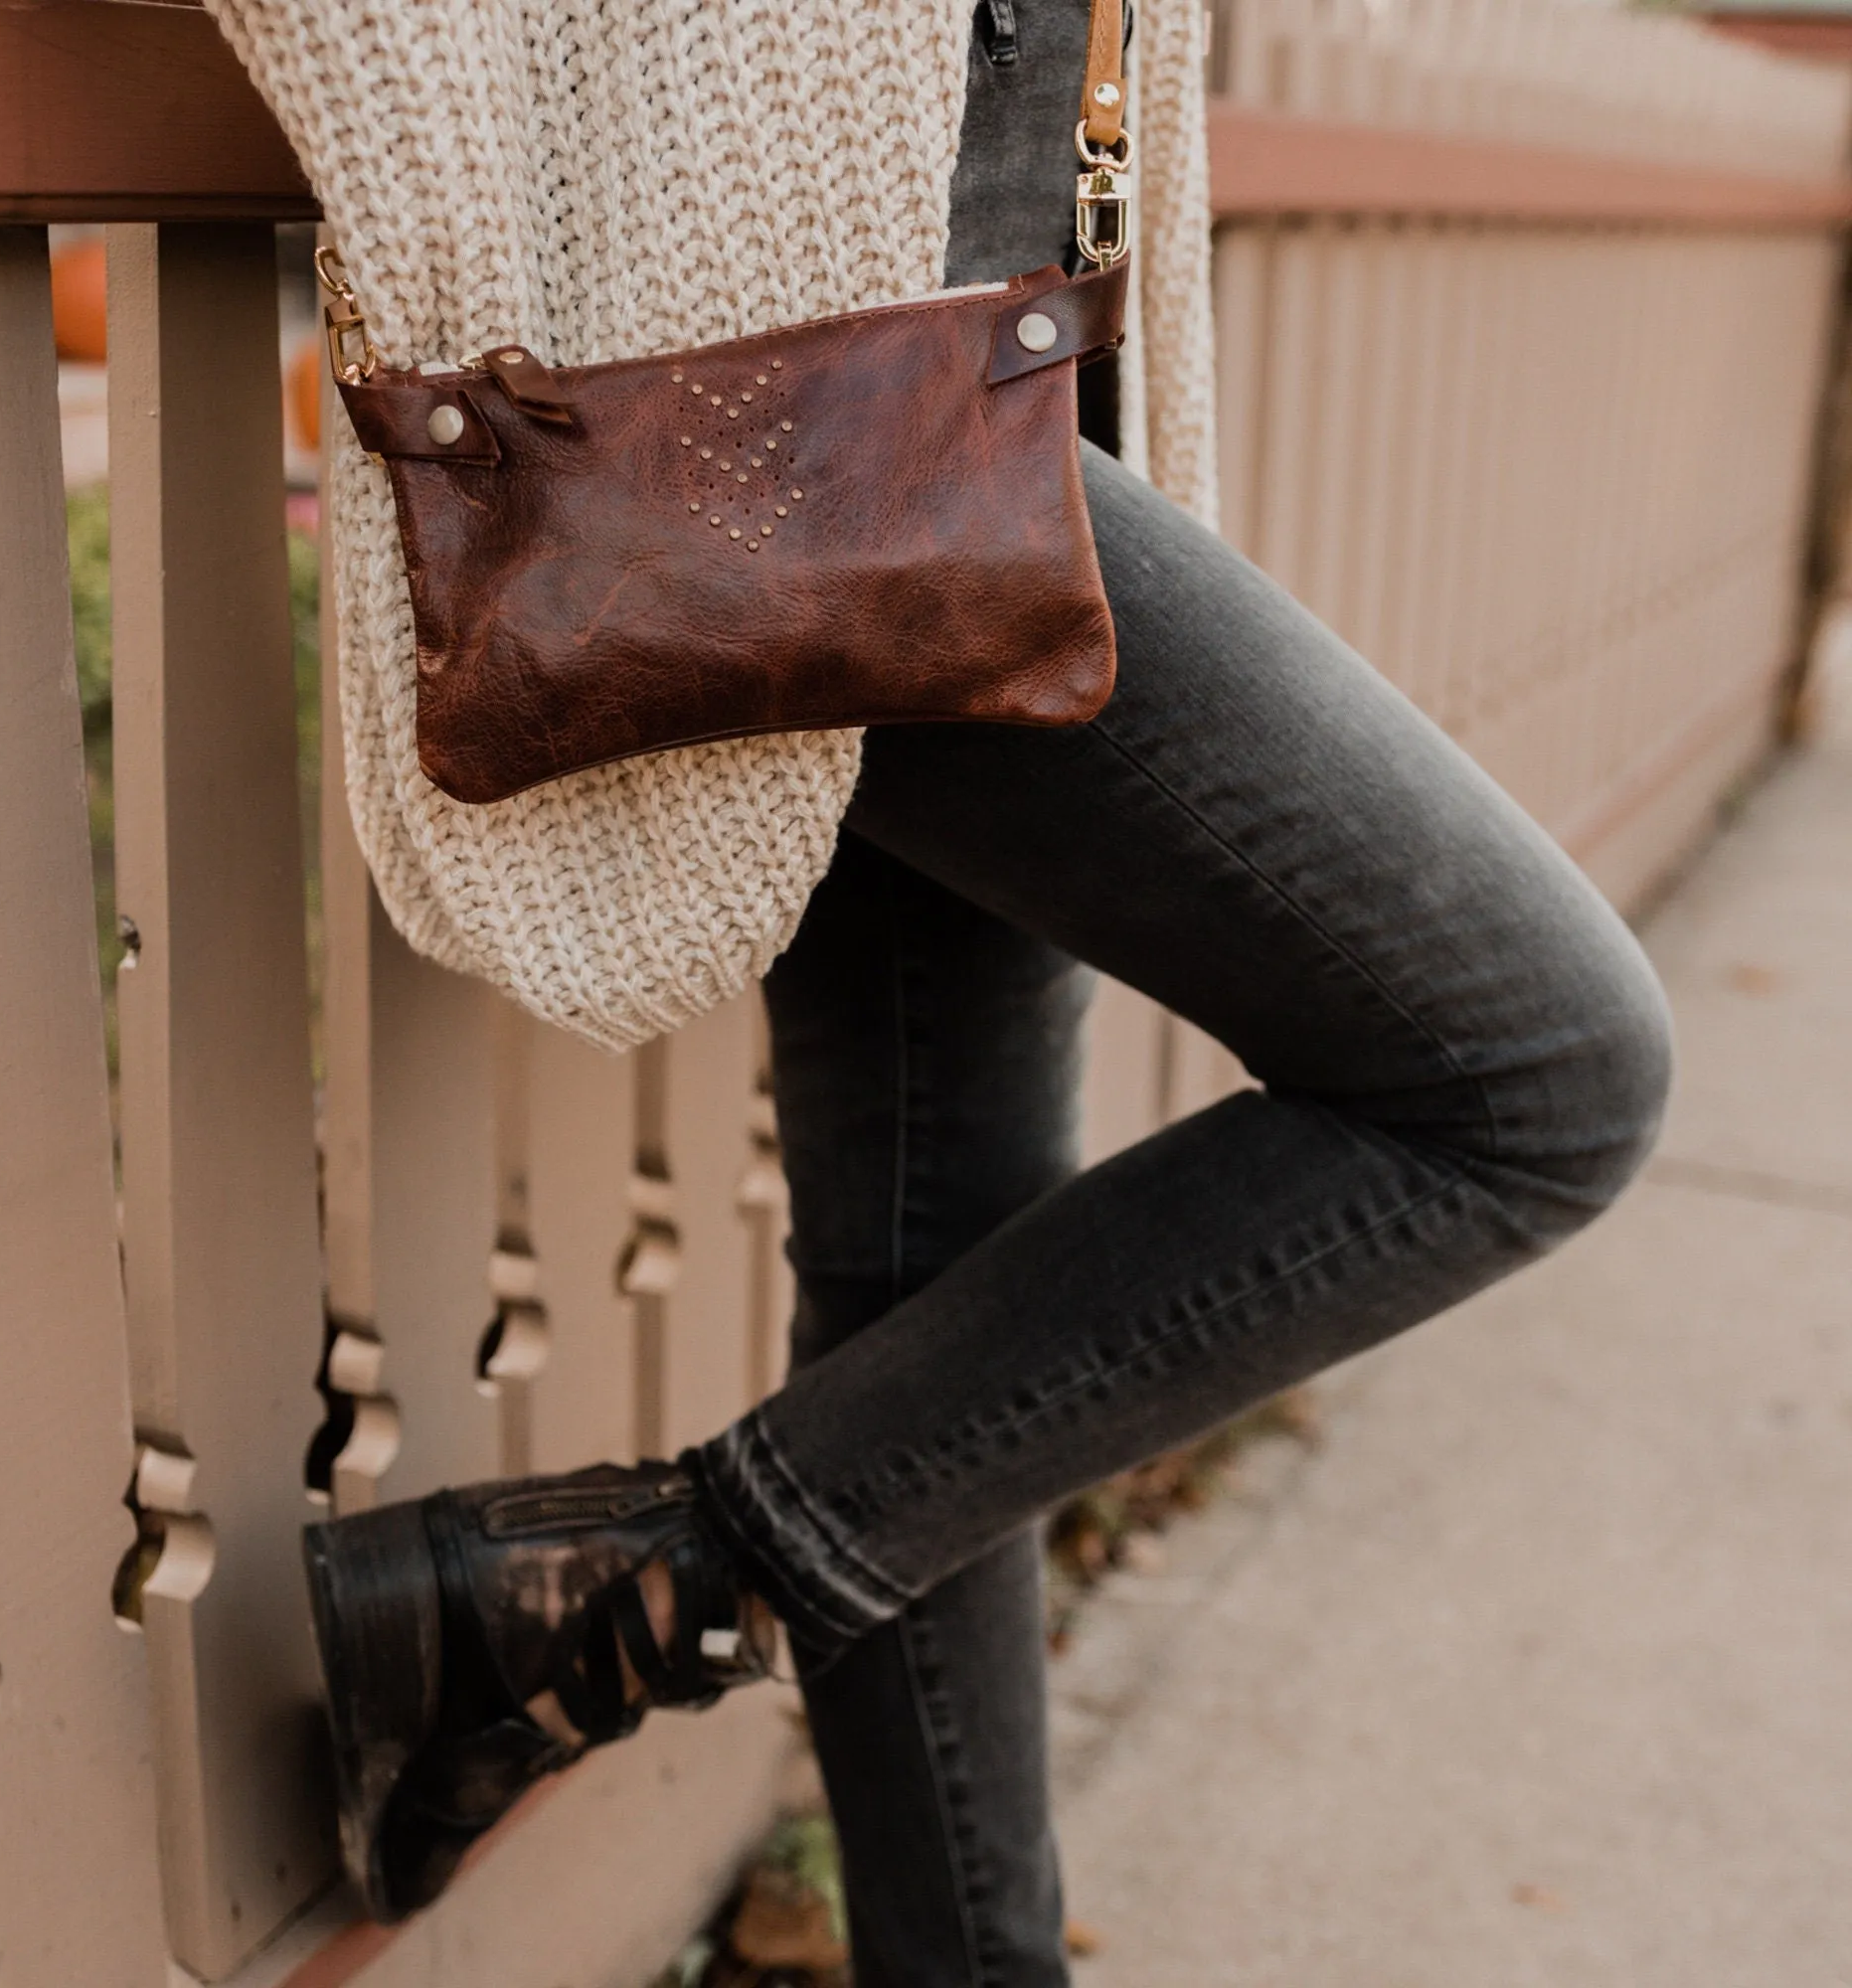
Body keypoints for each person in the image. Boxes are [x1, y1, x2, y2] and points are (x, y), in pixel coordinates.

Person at [300, 0, 1673, 1973]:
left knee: (936, 1292)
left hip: (974, 398)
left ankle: (791, 1768)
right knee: (1542, 1075)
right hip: (799, 436)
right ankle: (615, 1587)